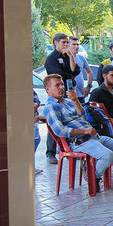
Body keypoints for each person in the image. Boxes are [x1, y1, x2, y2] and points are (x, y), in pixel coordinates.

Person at [43, 74, 113, 192]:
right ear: (48, 89)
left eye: (62, 84)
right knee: (107, 155)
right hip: (79, 142)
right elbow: (60, 131)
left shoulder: (68, 101)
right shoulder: (51, 107)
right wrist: (84, 131)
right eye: (57, 85)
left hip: (94, 137)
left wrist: (75, 100)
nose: (61, 87)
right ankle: (94, 177)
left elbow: (84, 117)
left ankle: (92, 170)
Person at [44, 32, 81, 165]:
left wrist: (71, 56)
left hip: (69, 91)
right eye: (63, 42)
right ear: (56, 43)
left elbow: (76, 70)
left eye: (67, 42)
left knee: (70, 117)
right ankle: (50, 152)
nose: (66, 45)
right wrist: (69, 75)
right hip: (56, 93)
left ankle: (69, 146)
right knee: (55, 120)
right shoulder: (51, 58)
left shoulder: (67, 56)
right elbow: (58, 74)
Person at [69, 36, 93, 104]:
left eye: (77, 44)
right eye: (73, 44)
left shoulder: (81, 58)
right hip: (69, 97)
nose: (76, 46)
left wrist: (88, 86)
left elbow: (90, 72)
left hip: (81, 96)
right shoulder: (64, 59)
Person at [33, 91, 43, 175]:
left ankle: (31, 164)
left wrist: (36, 103)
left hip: (34, 118)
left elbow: (35, 97)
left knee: (36, 139)